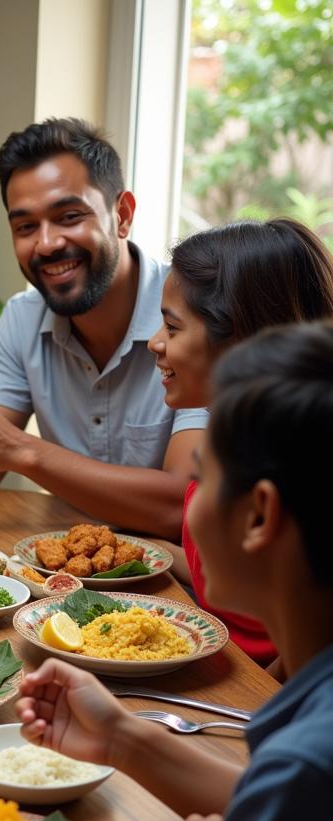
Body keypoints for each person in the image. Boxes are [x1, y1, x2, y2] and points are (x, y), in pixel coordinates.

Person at [17, 321, 333, 821]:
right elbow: (274, 802)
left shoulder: (311, 767)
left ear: (258, 517)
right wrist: (124, 739)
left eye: (200, 479)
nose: (188, 508)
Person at [0, 118, 206, 539]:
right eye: (25, 226)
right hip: (60, 582)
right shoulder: (23, 318)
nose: (46, 244)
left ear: (123, 214)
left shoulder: (195, 314)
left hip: (181, 589)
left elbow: (184, 507)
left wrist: (22, 450)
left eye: (69, 216)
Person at [148, 218, 333, 665]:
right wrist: (137, 551)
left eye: (173, 329)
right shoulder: (232, 432)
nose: (155, 343)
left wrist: (254, 702)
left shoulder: (283, 467)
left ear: (240, 341)